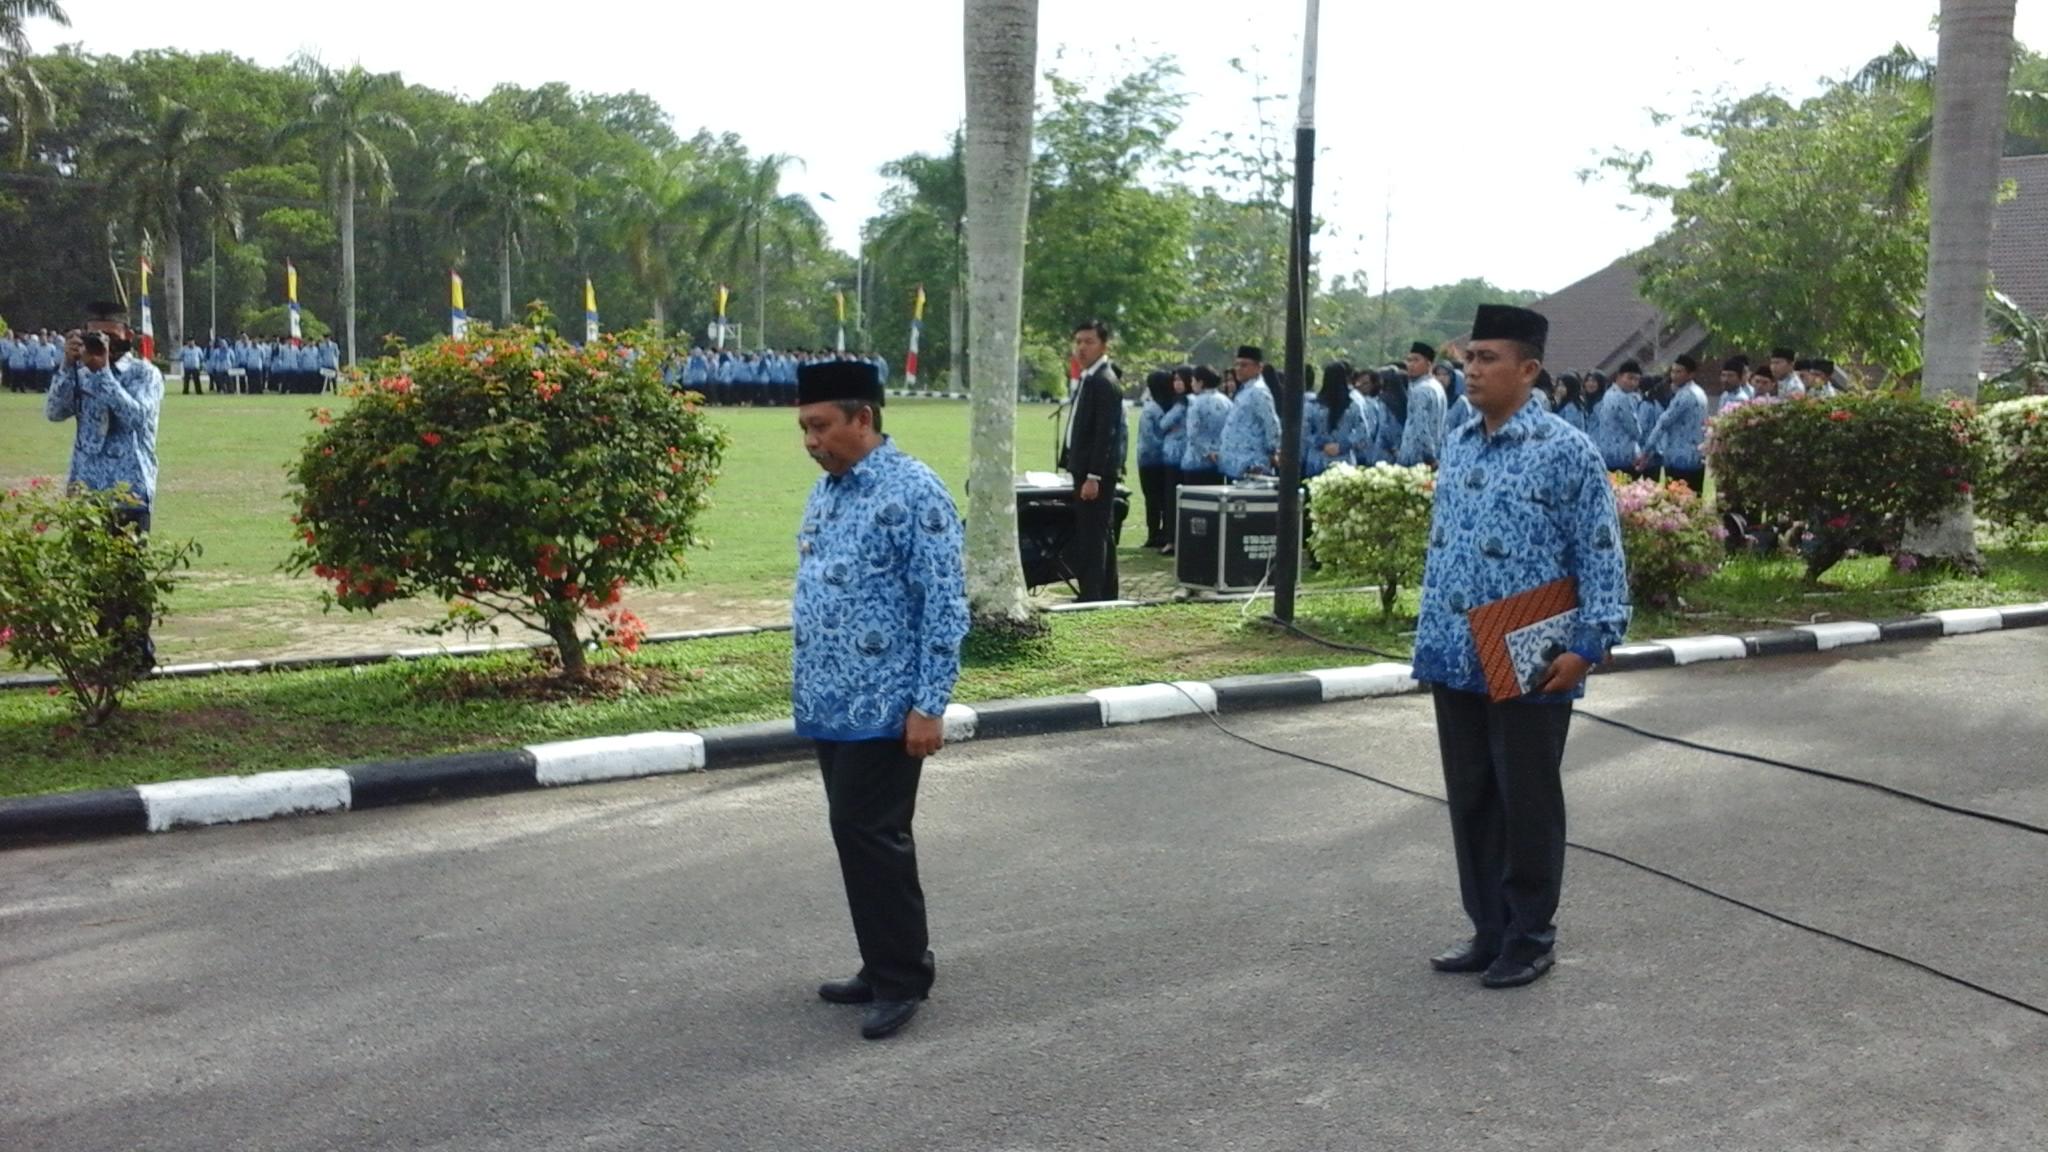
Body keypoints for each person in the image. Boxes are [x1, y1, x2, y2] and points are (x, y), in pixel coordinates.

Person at [1413, 303, 1630, 991]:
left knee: (1526, 798)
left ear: (1528, 370)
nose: (1471, 370)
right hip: (1456, 642)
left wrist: (1592, 642)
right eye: (1468, 359)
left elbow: (1601, 553)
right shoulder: (1461, 438)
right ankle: (1489, 928)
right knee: (1472, 794)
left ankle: (1531, 934)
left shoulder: (1567, 450)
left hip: (1531, 638)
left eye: (1487, 359)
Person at [792, 357, 968, 1042]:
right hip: (830, 700)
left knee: (875, 835)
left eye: (821, 426)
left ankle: (902, 979)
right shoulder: (829, 491)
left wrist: (929, 704)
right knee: (854, 833)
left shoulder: (914, 490)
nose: (811, 441)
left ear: (863, 418)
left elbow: (944, 606)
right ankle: (881, 960)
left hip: (888, 705)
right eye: (804, 428)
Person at [44, 301, 167, 674]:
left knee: (128, 578)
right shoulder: (78, 370)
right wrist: (68, 365)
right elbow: (54, 411)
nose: (103, 344)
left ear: (127, 336)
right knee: (94, 581)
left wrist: (102, 374)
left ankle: (135, 657)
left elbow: (134, 416)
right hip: (86, 487)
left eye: (109, 336)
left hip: (129, 487)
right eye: (94, 335)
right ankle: (106, 656)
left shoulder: (145, 374)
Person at [1060, 319, 1125, 602]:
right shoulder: (1090, 378)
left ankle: (1092, 594)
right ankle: (1106, 591)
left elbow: (1105, 434)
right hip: (1084, 468)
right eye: (1079, 342)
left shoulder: (1104, 381)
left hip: (1094, 473)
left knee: (1092, 535)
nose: (1082, 348)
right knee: (1100, 531)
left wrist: (1094, 476)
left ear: (1103, 345)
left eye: (1089, 342)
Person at [1639, 354, 1711, 494]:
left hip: (1679, 460)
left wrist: (1646, 450)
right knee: (1693, 504)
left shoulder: (1685, 395)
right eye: (1673, 371)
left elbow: (1663, 423)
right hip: (1696, 458)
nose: (1674, 375)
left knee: (1677, 506)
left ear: (1691, 374)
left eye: (1679, 372)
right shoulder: (1700, 392)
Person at [1135, 369, 1185, 550]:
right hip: (1165, 460)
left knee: (1152, 498)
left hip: (1149, 460)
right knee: (1164, 498)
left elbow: (1148, 437)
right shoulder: (1171, 406)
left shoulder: (1151, 409)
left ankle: (1154, 533)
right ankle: (1165, 531)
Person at [1218, 345, 1280, 480]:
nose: (1238, 369)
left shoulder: (1259, 392)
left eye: (1244, 365)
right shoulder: (1245, 391)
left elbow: (1271, 424)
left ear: (1259, 368)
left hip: (1252, 465)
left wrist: (1272, 451)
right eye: (1237, 365)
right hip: (1235, 464)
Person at [1178, 364, 1230, 488]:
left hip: (1196, 462)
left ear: (1200, 382)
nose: (1191, 384)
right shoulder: (1226, 401)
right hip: (1219, 460)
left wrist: (1207, 451)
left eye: (1193, 380)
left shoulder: (1196, 403)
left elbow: (1192, 433)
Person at [1398, 341, 1448, 467]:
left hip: (1417, 462)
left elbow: (1421, 427)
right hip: (1436, 455)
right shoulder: (1437, 386)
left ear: (1429, 364)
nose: (1410, 365)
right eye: (1409, 360)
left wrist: (1429, 458)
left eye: (1416, 360)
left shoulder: (1421, 390)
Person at [1592, 360, 1642, 475]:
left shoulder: (1608, 394)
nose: (1633, 383)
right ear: (1619, 377)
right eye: (1630, 378)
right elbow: (1635, 431)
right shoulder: (1623, 398)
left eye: (1636, 380)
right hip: (1623, 457)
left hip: (1606, 454)